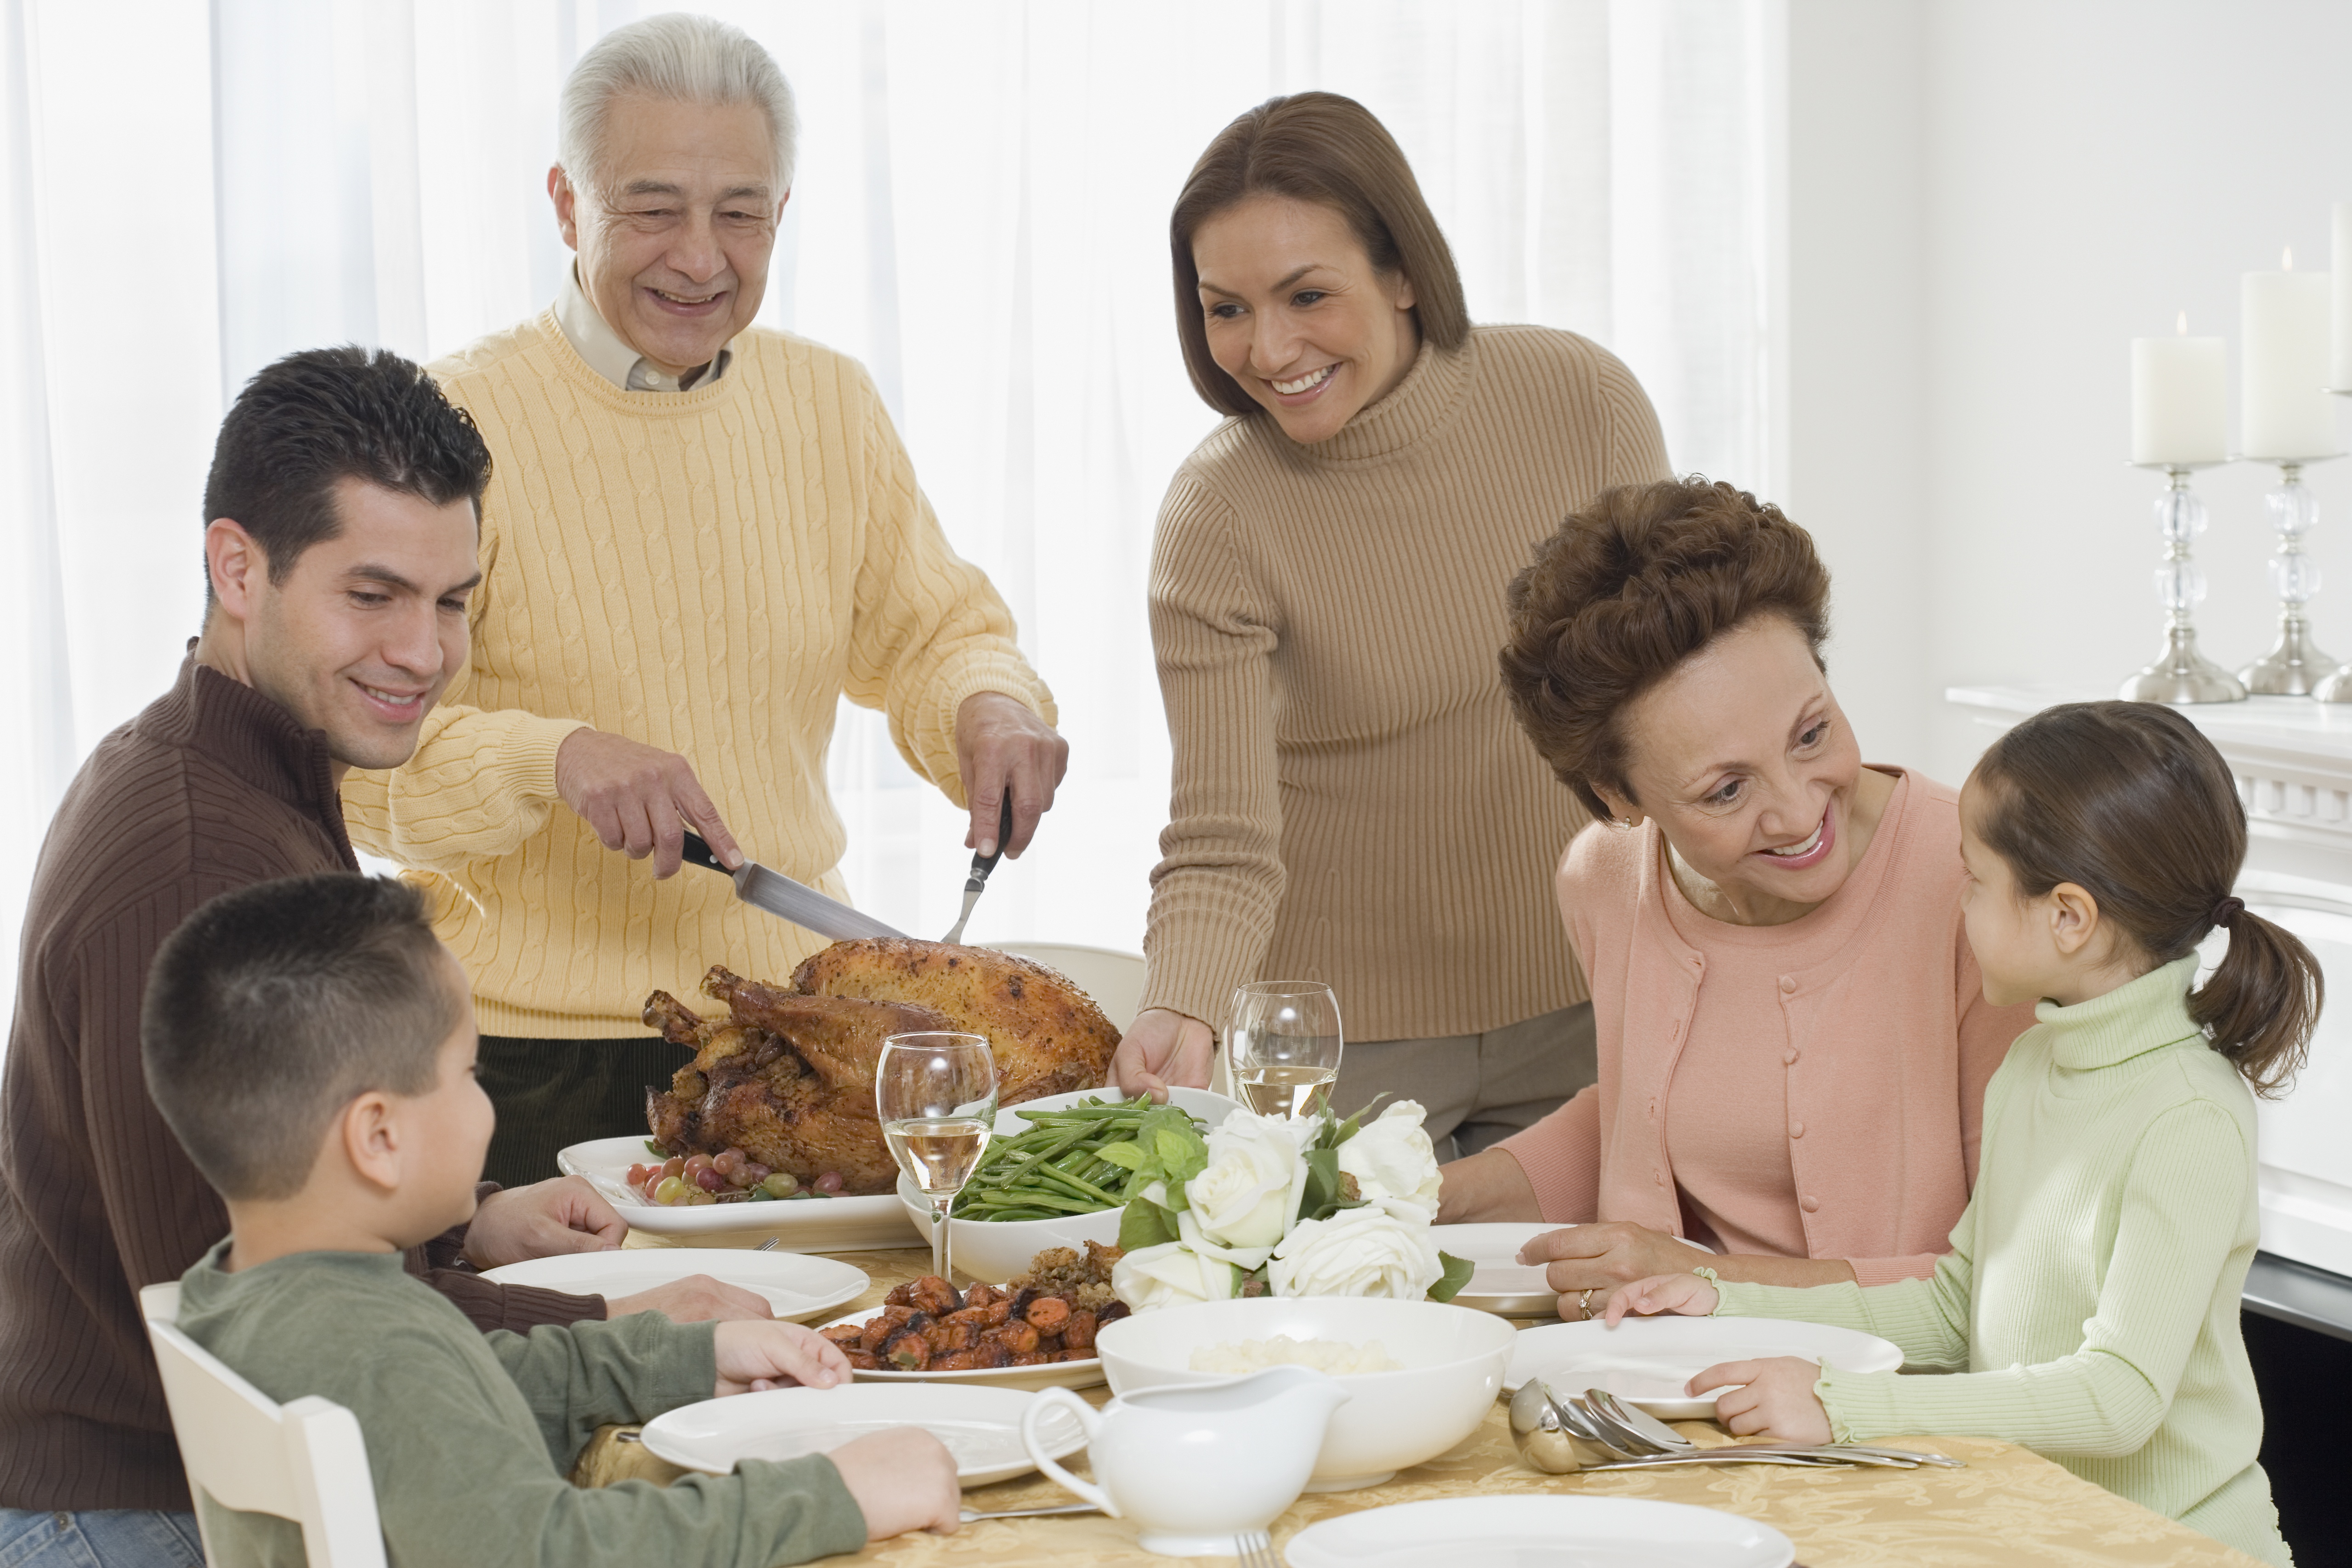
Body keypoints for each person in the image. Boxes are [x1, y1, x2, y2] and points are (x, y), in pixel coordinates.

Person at [0, 347, 770, 1568]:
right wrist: (628, 1321)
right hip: (143, 1514)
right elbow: (271, 1317)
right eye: (373, 594)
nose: (425, 651)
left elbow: (278, 1201)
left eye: (451, 598)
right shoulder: (197, 860)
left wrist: (466, 1220)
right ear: (238, 567)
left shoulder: (241, 773)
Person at [340, 14, 1069, 1188]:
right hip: (524, 1062)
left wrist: (987, 706)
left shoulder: (828, 402)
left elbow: (940, 634)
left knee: (825, 1363)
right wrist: (554, 755)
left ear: (782, 212)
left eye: (740, 212)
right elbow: (364, 772)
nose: (700, 256)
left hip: (794, 1043)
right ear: (568, 207)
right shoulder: (449, 424)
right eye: (651, 209)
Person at [1603, 701, 2305, 1568]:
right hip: (2033, 1532)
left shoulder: (2189, 1117)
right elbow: (1954, 1305)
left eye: (1974, 881)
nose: (1958, 904)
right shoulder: (2036, 1066)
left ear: (2069, 917)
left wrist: (1845, 1405)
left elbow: (2121, 1398)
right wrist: (1727, 1299)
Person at [1112, 91, 1672, 1158]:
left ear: (1405, 272)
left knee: (1602, 1316)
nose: (1268, 349)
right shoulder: (1218, 513)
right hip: (1339, 1040)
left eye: (1306, 294)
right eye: (1225, 307)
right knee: (1356, 1318)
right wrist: (1179, 1004)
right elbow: (1224, 835)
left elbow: (1669, 696)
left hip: (1589, 990)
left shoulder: (1579, 401)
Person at [145, 872, 963, 1562]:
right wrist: (837, 1493)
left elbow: (467, 1384)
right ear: (379, 1136)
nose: (484, 1102)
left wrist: (678, 1357)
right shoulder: (378, 1345)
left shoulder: (251, 1291)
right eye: (467, 1074)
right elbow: (554, 1551)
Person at [1441, 478, 2036, 1305]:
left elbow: (2020, 1281)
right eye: (1726, 790)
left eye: (1811, 733)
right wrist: (1428, 1200)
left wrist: (1700, 1278)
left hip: (1899, 1409)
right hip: (1668, 1389)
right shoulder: (1605, 880)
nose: (1798, 810)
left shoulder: (1984, 892)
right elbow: (1646, 1115)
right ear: (1620, 799)